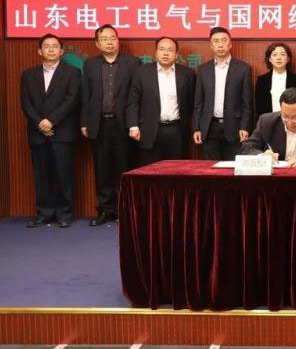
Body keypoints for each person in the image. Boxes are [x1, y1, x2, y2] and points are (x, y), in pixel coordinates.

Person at [80, 24, 142, 226]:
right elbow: (86, 96)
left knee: (124, 169)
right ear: (97, 43)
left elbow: (137, 96)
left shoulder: (133, 63)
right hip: (98, 124)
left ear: (118, 40)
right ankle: (105, 210)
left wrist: (134, 123)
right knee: (102, 169)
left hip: (123, 125)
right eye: (104, 39)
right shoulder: (90, 64)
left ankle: (124, 211)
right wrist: (84, 122)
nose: (109, 42)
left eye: (113, 38)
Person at [20, 33, 81, 228]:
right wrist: (40, 123)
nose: (51, 49)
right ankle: (43, 213)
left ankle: (64, 214)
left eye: (55, 46)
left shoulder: (72, 72)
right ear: (40, 51)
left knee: (64, 175)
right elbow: (26, 103)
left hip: (62, 132)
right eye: (47, 46)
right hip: (37, 132)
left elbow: (72, 100)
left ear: (62, 51)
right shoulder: (28, 74)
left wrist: (52, 121)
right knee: (41, 176)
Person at [126, 37, 195, 166]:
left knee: (177, 170)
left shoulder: (187, 74)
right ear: (156, 52)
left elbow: (193, 103)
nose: (165, 53)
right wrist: (133, 125)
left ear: (176, 54)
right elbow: (133, 102)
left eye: (170, 50)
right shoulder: (142, 72)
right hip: (149, 130)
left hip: (177, 131)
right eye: (162, 49)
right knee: (149, 170)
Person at [192, 26, 252, 160]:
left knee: (233, 167)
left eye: (224, 40)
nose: (220, 45)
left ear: (230, 44)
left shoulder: (243, 68)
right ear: (211, 46)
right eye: (216, 41)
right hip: (209, 127)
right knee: (210, 168)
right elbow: (198, 102)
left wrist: (245, 127)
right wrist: (196, 128)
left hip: (234, 127)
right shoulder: (203, 69)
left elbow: (247, 102)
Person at [254, 42, 296, 122]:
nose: (278, 58)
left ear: (288, 59)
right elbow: (258, 106)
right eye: (275, 55)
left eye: (282, 54)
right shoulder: (262, 80)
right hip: (268, 122)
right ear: (269, 59)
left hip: (291, 122)